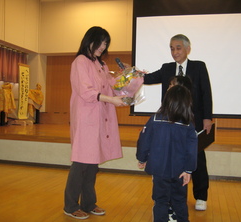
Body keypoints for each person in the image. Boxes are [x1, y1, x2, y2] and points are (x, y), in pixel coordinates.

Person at [144, 34, 213, 211]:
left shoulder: (198, 67)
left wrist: (207, 118)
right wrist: (131, 74)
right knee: (171, 158)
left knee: (196, 157)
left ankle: (201, 196)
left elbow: (206, 92)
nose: (175, 52)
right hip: (169, 123)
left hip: (193, 121)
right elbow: (148, 78)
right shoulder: (167, 68)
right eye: (172, 48)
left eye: (178, 48)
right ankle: (168, 197)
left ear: (187, 49)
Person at [63, 26, 126, 220]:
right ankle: (70, 205)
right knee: (81, 162)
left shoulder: (102, 65)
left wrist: (127, 78)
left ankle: (89, 203)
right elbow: (87, 91)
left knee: (93, 163)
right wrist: (111, 99)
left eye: (106, 43)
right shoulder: (80, 62)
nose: (103, 46)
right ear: (90, 40)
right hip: (85, 118)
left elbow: (113, 87)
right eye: (101, 41)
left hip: (99, 118)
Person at [136, 85, 198, 222]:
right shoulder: (188, 124)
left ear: (166, 100)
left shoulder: (155, 119)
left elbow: (144, 140)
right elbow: (192, 150)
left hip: (159, 170)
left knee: (160, 201)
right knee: (180, 201)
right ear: (187, 103)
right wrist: (188, 170)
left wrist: (142, 158)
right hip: (180, 171)